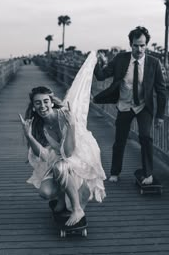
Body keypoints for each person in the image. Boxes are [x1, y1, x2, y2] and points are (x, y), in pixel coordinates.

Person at [19, 51, 106, 226]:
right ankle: (61, 197)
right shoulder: (37, 125)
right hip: (59, 159)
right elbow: (43, 155)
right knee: (45, 192)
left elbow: (68, 152)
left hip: (78, 155)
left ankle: (77, 209)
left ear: (51, 102)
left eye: (45, 101)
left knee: (60, 166)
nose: (42, 106)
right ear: (34, 107)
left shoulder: (64, 117)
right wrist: (29, 136)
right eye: (38, 103)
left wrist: (72, 126)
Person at [93, 26, 166, 184]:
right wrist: (94, 62)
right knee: (120, 140)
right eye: (136, 45)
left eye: (142, 45)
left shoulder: (154, 63)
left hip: (143, 106)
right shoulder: (121, 59)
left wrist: (160, 116)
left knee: (145, 137)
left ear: (146, 45)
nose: (139, 49)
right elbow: (101, 76)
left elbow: (161, 90)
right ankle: (115, 172)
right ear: (130, 44)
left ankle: (148, 174)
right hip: (125, 105)